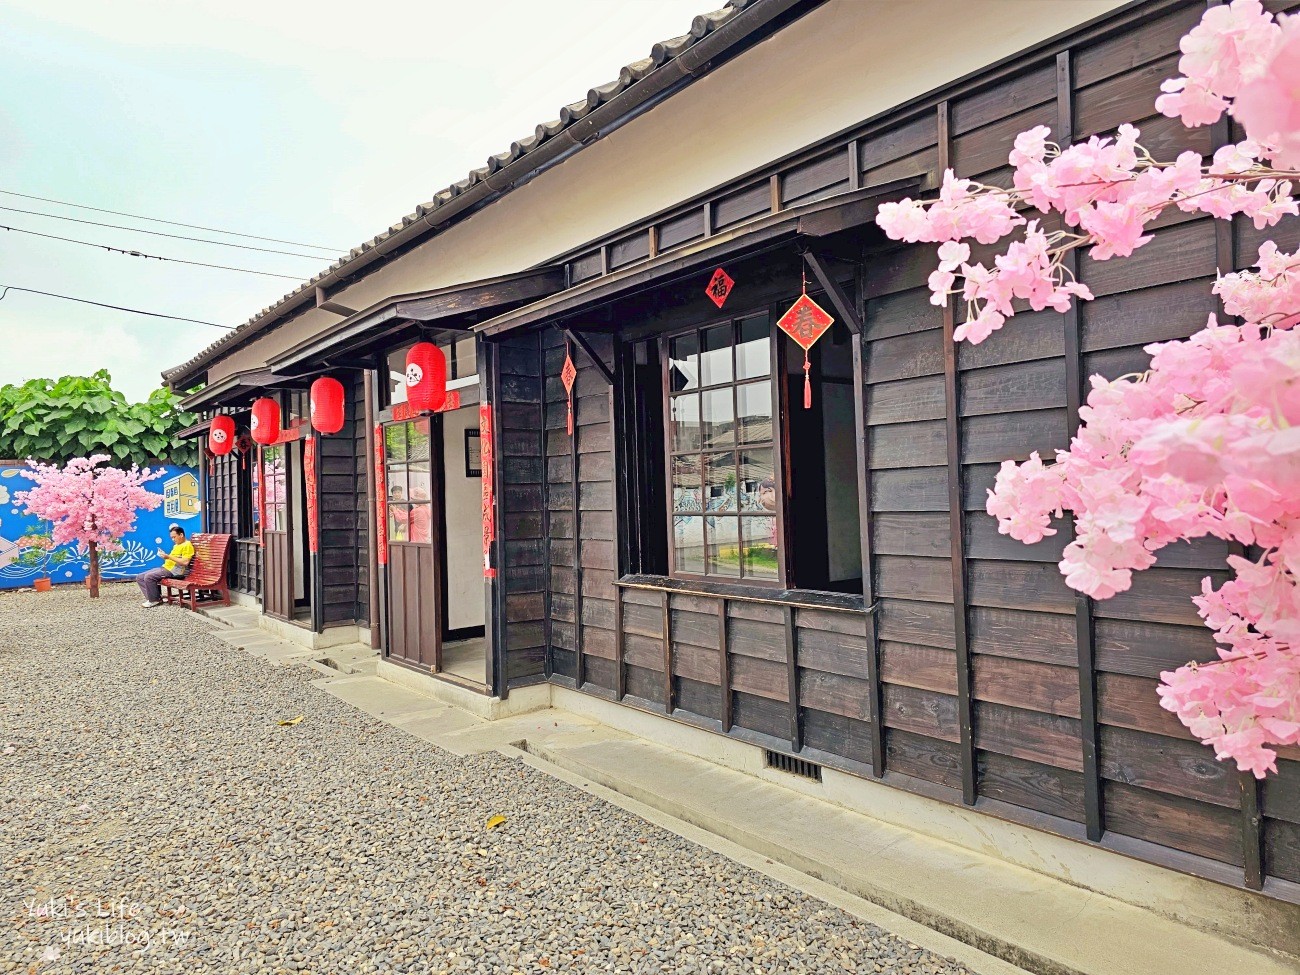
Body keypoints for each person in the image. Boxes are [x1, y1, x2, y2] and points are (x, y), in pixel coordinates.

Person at [137, 524, 194, 608]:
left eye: (174, 537)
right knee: (140, 577)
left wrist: (168, 556)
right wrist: (164, 556)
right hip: (166, 567)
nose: (173, 539)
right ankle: (155, 598)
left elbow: (185, 562)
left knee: (149, 577)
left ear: (181, 535)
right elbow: (173, 559)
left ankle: (154, 600)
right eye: (171, 537)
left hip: (175, 571)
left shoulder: (187, 545)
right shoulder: (177, 545)